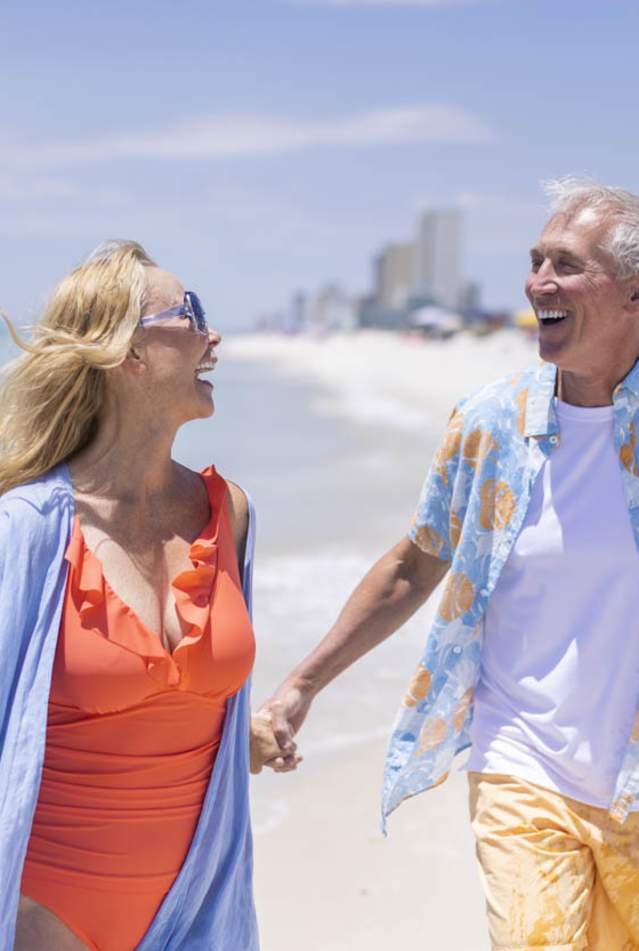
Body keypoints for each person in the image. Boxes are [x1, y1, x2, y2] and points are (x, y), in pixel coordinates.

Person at [258, 179, 639, 948]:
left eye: (565, 264)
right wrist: (300, 685)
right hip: (521, 768)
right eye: (534, 261)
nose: (537, 283)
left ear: (631, 291)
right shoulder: (491, 422)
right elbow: (413, 564)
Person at [0, 240, 281, 950]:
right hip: (46, 913)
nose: (213, 337)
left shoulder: (230, 514)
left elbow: (195, 697)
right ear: (127, 352)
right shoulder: (26, 530)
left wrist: (240, 728)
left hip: (202, 909)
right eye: (191, 315)